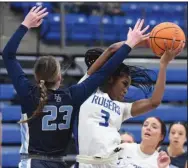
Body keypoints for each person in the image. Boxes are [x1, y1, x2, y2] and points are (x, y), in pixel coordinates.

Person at [2, 6, 142, 168]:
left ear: (36, 76)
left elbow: (8, 55)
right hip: (59, 164)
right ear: (59, 77)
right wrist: (129, 44)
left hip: (33, 162)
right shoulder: (72, 96)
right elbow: (104, 72)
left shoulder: (28, 93)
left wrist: (25, 24)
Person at [75, 20, 184, 167]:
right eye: (124, 83)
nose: (126, 89)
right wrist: (140, 42)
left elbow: (154, 102)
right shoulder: (86, 91)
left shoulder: (122, 108)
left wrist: (163, 65)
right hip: (88, 163)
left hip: (113, 163)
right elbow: (111, 50)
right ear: (112, 78)